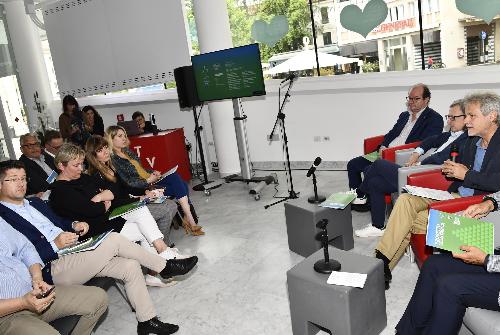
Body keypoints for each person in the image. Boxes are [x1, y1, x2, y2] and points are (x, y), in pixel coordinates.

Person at [0, 159, 198, 334]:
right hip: (53, 266)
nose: (21, 183)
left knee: (129, 266)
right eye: (13, 179)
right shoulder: (3, 217)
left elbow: (59, 221)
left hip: (74, 251)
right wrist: (54, 245)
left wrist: (74, 225)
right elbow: (23, 254)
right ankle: (165, 266)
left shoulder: (34, 203)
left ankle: (147, 320)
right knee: (113, 240)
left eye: (23, 178)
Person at [375, 92, 500, 289]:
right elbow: (438, 146)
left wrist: (465, 175)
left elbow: (496, 183)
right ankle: (381, 264)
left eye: (471, 116)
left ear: (492, 116)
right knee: (406, 200)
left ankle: (379, 266)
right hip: (453, 195)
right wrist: (449, 167)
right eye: (465, 116)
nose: (466, 121)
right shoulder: (470, 139)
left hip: (473, 206)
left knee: (406, 219)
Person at [49, 143, 189, 287]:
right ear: (61, 166)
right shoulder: (60, 192)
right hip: (95, 234)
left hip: (107, 221)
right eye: (76, 165)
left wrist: (101, 198)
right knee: (144, 227)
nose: (80, 168)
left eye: (81, 164)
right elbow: (91, 210)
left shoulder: (81, 178)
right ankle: (163, 260)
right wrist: (103, 202)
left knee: (142, 216)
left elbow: (113, 190)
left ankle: (162, 257)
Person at [355, 100, 468, 237]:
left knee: (379, 164)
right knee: (375, 183)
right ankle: (378, 226)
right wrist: (416, 153)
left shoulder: (467, 140)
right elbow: (430, 140)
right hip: (420, 171)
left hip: (430, 178)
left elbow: (442, 159)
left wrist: (419, 165)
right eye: (448, 117)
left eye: (453, 117)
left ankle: (360, 193)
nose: (449, 121)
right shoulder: (450, 135)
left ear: (467, 117)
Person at [0, 217, 108, 335]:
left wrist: (37, 278)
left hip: (33, 292)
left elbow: (25, 248)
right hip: (6, 315)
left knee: (98, 299)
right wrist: (22, 303)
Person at [347, 84, 443, 207]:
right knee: (352, 164)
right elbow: (392, 133)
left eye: (416, 99)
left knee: (368, 169)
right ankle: (359, 198)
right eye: (410, 98)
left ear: (426, 99)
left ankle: (369, 201)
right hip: (384, 151)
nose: (411, 102)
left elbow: (426, 143)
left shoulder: (434, 118)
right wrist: (383, 146)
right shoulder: (404, 115)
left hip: (400, 156)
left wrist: (390, 152)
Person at [107, 125, 204, 236]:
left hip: (151, 181)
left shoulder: (127, 152)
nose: (124, 138)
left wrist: (153, 172)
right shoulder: (114, 160)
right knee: (180, 183)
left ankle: (188, 219)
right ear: (111, 139)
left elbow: (141, 169)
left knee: (177, 179)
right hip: (143, 188)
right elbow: (127, 183)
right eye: (120, 136)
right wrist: (148, 181)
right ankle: (190, 220)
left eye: (124, 135)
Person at [85, 135, 179, 246]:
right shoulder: (95, 176)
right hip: (121, 212)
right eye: (100, 150)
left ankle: (159, 245)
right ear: (93, 155)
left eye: (105, 147)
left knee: (171, 205)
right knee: (166, 209)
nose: (105, 152)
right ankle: (161, 246)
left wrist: (145, 192)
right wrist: (139, 198)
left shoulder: (110, 168)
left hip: (129, 204)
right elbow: (113, 202)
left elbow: (126, 188)